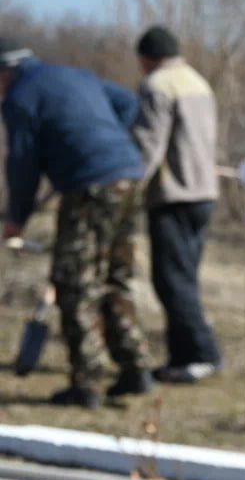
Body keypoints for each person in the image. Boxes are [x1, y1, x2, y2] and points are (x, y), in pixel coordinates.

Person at [1, 39, 153, 407]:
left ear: (5, 72)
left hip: (90, 186)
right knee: (115, 274)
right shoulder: (73, 75)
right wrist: (102, 139)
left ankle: (87, 383)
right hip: (130, 174)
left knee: (75, 281)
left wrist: (16, 219)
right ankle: (135, 368)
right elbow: (129, 104)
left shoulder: (20, 98)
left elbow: (22, 165)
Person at [132, 26, 222, 384]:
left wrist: (127, 188)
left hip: (174, 194)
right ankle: (181, 357)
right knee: (184, 278)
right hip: (203, 193)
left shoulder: (157, 86)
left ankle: (203, 354)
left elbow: (148, 145)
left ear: (148, 58)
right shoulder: (198, 82)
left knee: (170, 281)